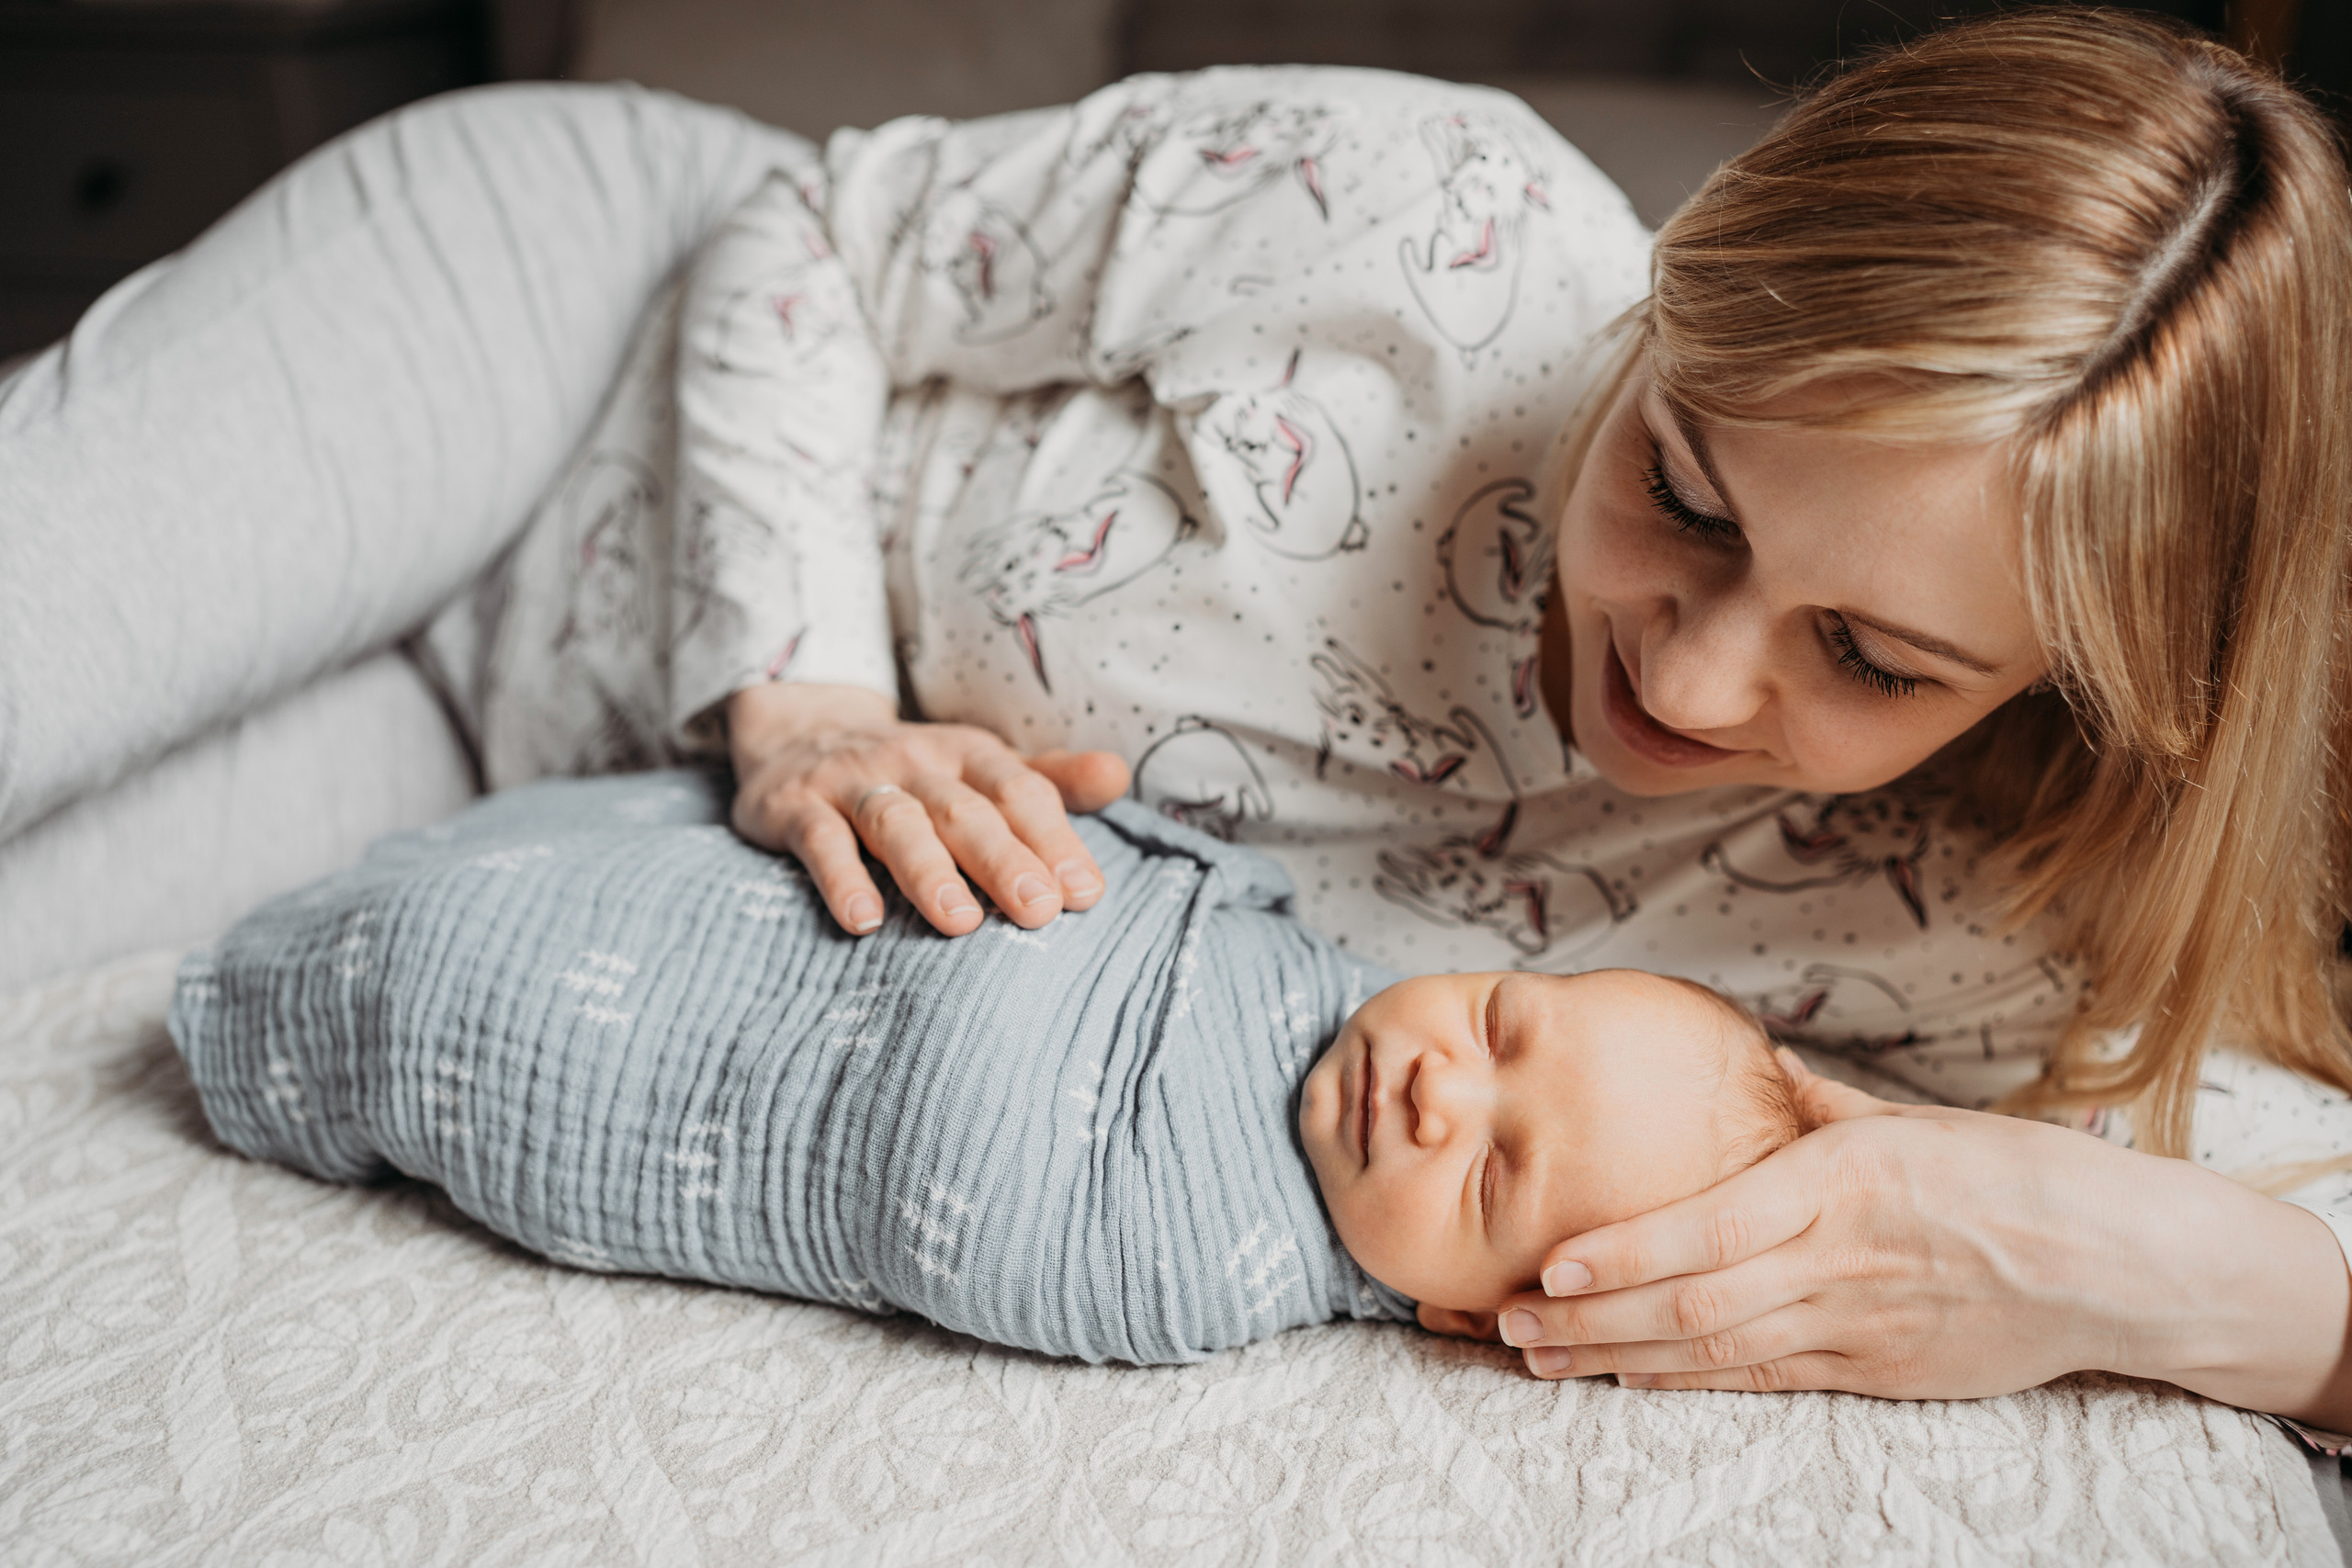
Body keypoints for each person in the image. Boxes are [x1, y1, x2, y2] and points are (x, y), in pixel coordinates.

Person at [429, 9, 2352, 1429]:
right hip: (549, 363)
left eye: (1875, 660)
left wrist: (2116, 1265)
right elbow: (815, 227)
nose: (1682, 684)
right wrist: (809, 703)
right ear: (1680, 277)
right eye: (1683, 495)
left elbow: (2291, 1224)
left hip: (518, 817)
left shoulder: (1967, 934)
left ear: (2069, 695)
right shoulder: (1428, 229)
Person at [170, 771, 1811, 1363]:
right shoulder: (1274, 929)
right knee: (631, 860)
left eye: (1492, 1171)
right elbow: (1108, 858)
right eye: (1504, 1028)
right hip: (784, 895)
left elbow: (964, 1185)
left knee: (461, 978)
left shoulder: (1185, 1271)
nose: (1443, 1090)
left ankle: (305, 996)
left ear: (1469, 1312)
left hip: (715, 1069)